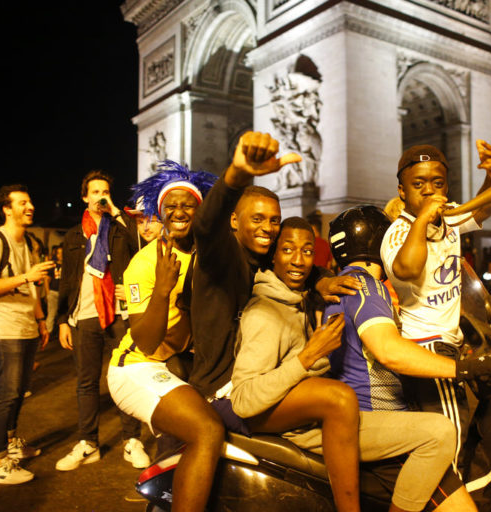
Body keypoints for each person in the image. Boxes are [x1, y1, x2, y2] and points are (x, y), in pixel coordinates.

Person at [232, 218, 457, 512]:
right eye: (287, 250)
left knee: (441, 432)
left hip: (332, 420)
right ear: (273, 255)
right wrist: (307, 358)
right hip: (307, 425)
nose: (298, 260)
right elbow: (243, 400)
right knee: (341, 399)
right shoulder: (264, 313)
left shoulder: (304, 299)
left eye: (307, 251)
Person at [325, 205, 491, 510]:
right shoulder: (366, 286)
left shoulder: (339, 285)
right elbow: (388, 350)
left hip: (370, 421)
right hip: (380, 426)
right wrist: (463, 369)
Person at [186, 131, 357, 407]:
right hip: (222, 389)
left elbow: (296, 265)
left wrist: (321, 279)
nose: (268, 228)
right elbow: (206, 225)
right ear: (233, 220)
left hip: (262, 380)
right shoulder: (222, 254)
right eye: (257, 219)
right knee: (335, 401)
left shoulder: (263, 259)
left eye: (274, 220)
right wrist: (236, 175)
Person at [106, 163, 222, 512]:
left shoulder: (209, 255)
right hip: (136, 368)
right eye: (170, 206)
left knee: (180, 448)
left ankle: (162, 502)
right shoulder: (145, 262)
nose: (178, 212)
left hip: (176, 366)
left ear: (201, 209)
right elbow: (143, 341)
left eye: (187, 204)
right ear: (159, 212)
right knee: (206, 431)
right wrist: (163, 290)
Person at [380, 140, 491, 458]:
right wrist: (422, 219)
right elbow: (408, 267)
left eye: (438, 183)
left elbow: (482, 209)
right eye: (418, 184)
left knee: (447, 437)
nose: (429, 191)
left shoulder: (448, 221)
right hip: (425, 345)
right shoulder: (397, 231)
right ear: (402, 190)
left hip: (450, 341)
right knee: (450, 443)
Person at [55, 170, 149, 471]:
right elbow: (67, 280)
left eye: (105, 191)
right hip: (84, 314)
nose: (100, 196)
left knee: (126, 378)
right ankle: (88, 443)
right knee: (86, 382)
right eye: (95, 192)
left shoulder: (121, 230)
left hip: (119, 314)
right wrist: (61, 321)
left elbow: (140, 252)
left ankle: (132, 441)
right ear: (85, 196)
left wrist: (118, 213)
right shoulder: (73, 235)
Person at [0, 184, 55, 484]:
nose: (29, 206)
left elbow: (31, 289)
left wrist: (41, 321)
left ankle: (10, 444)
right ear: (7, 209)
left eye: (30, 201)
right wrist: (24, 276)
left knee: (19, 393)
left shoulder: (29, 242)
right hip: (3, 328)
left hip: (26, 327)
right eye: (22, 202)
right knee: (5, 395)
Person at [44, 245, 62, 335]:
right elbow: (47, 279)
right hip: (53, 292)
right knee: (51, 313)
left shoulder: (68, 265)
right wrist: (48, 293)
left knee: (62, 315)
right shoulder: (53, 265)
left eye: (62, 253)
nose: (60, 255)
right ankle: (47, 333)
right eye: (59, 253)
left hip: (63, 293)